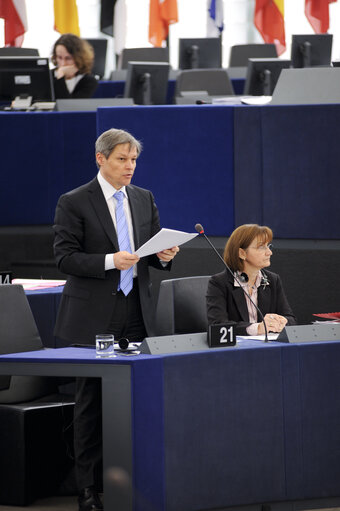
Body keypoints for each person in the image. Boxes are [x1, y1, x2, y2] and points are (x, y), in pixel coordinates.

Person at [53, 128, 179, 511]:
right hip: (93, 314)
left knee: (142, 397)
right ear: (100, 159)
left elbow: (152, 251)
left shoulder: (144, 198)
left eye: (134, 160)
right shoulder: (74, 201)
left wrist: (165, 255)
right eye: (122, 159)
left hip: (137, 311)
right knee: (89, 403)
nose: (130, 167)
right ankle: (87, 489)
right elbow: (64, 257)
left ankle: (137, 482)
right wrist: (110, 261)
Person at [206, 224, 296, 336]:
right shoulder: (219, 283)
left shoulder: (273, 280)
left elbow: (290, 319)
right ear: (242, 253)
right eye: (261, 247)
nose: (269, 252)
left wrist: (281, 322)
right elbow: (218, 325)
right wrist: (257, 328)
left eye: (269, 246)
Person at [51, 33, 98, 99]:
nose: (63, 63)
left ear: (78, 58)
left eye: (68, 58)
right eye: (59, 57)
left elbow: (67, 106)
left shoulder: (88, 81)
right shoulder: (47, 76)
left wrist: (61, 75)